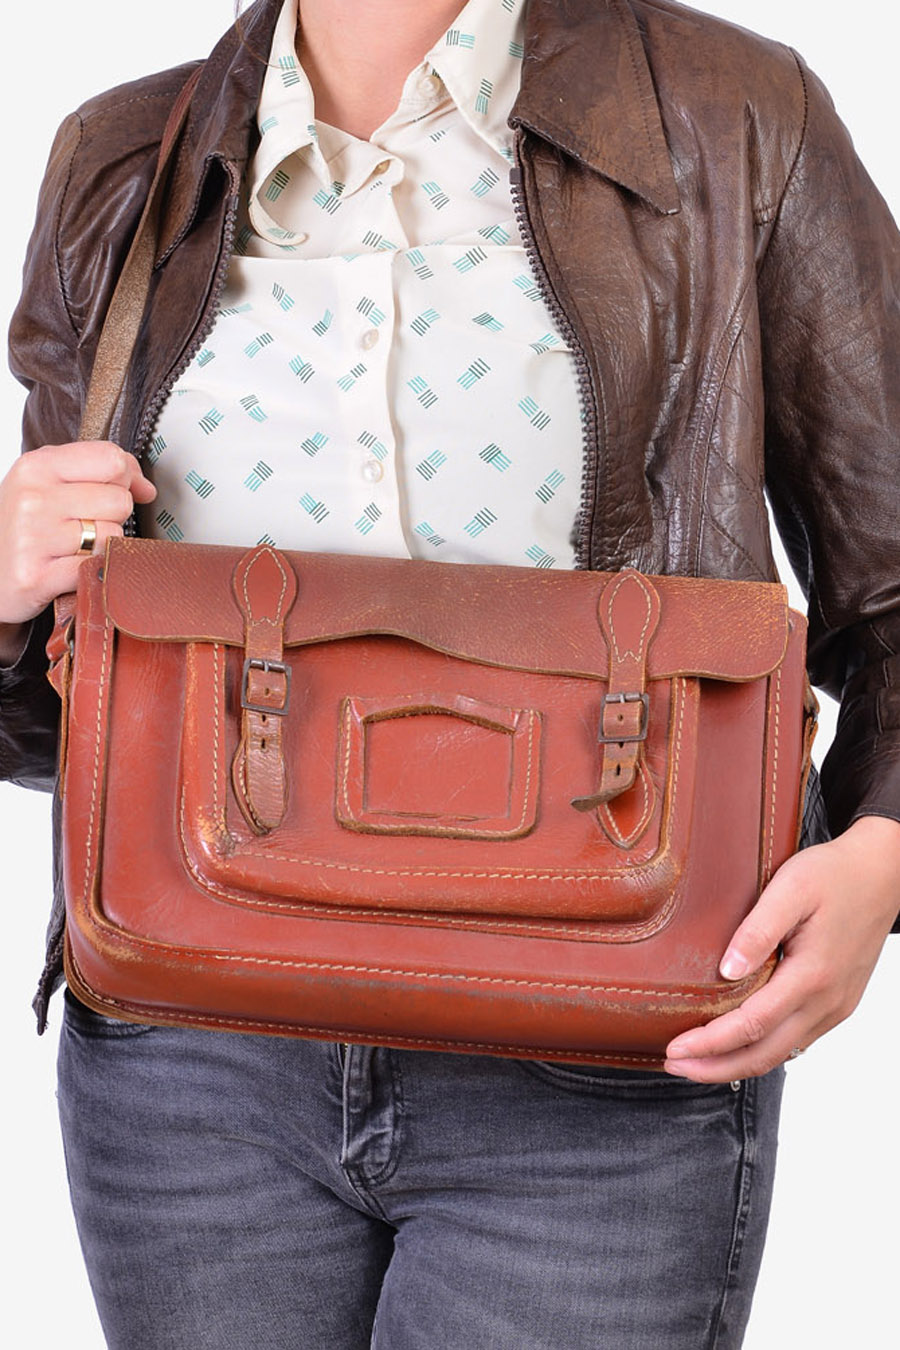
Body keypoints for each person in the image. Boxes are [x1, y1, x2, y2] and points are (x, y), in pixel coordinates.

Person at [1, 0, 898, 1345]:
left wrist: (885, 846)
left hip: (605, 1050)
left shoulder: (737, 117)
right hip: (193, 1055)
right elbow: (56, 730)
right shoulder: (121, 156)